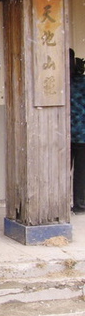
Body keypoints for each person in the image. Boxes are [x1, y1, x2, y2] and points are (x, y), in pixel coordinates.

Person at [70, 48, 85, 214]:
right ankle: (80, 205)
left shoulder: (62, 82)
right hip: (82, 135)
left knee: (58, 173)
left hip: (63, 135)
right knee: (81, 174)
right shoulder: (82, 81)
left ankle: (55, 204)